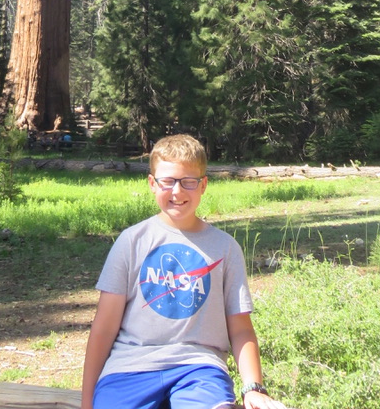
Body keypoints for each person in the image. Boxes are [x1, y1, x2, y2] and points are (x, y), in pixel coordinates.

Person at [81, 134, 288, 409]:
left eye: (188, 181)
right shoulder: (132, 241)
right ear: (152, 183)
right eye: (167, 181)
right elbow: (104, 327)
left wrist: (253, 388)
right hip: (130, 367)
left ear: (203, 185)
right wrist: (87, 401)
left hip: (199, 368)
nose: (177, 192)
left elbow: (240, 329)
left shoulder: (225, 248)